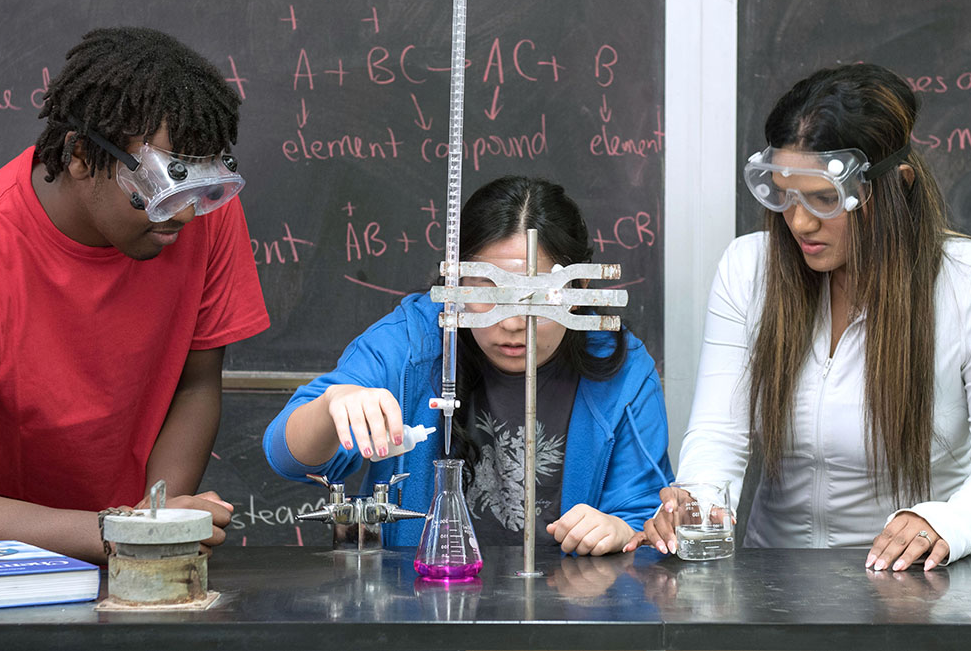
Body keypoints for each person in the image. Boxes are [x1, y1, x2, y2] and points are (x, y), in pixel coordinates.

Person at [627, 64, 971, 570]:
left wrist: (948, 521)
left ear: (896, 185)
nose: (799, 221)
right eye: (784, 194)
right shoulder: (749, 269)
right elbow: (720, 433)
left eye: (825, 199)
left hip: (921, 585)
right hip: (776, 581)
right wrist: (696, 503)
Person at [0, 27, 270, 563]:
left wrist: (153, 518)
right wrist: (126, 533)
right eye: (159, 188)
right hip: (0, 573)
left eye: (198, 187)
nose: (183, 213)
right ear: (81, 156)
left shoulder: (206, 215)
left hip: (128, 556)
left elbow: (196, 383)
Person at [264, 176, 673, 555]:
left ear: (578, 290)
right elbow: (288, 458)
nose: (513, 323)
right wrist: (334, 403)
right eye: (488, 291)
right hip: (416, 609)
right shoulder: (414, 340)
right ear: (456, 282)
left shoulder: (620, 368)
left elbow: (644, 520)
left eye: (538, 296)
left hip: (566, 615)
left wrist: (620, 530)